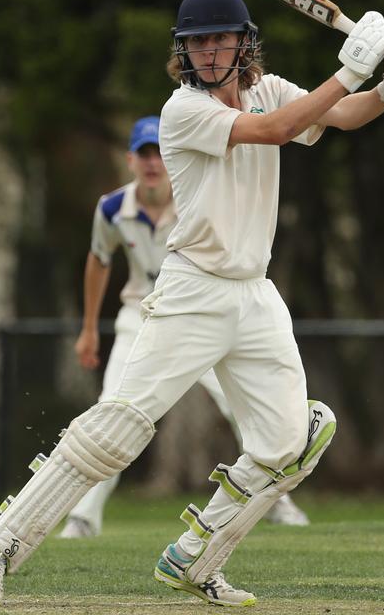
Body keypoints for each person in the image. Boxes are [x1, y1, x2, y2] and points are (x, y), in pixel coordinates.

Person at [0, 0, 384, 607]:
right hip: (193, 290)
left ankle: (194, 559)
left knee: (292, 442)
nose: (209, 52)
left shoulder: (269, 87)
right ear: (182, 53)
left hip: (254, 294)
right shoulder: (182, 110)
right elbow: (273, 131)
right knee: (117, 431)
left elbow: (340, 116)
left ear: (243, 43)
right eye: (197, 43)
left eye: (219, 39)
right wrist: (351, 65)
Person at [58, 115, 308, 541]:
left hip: (201, 314)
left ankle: (275, 500)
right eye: (143, 154)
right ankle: (84, 516)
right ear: (131, 160)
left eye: (158, 152)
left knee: (242, 406)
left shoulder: (196, 201)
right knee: (114, 411)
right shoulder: (114, 208)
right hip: (141, 316)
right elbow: (98, 259)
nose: (152, 162)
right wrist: (88, 329)